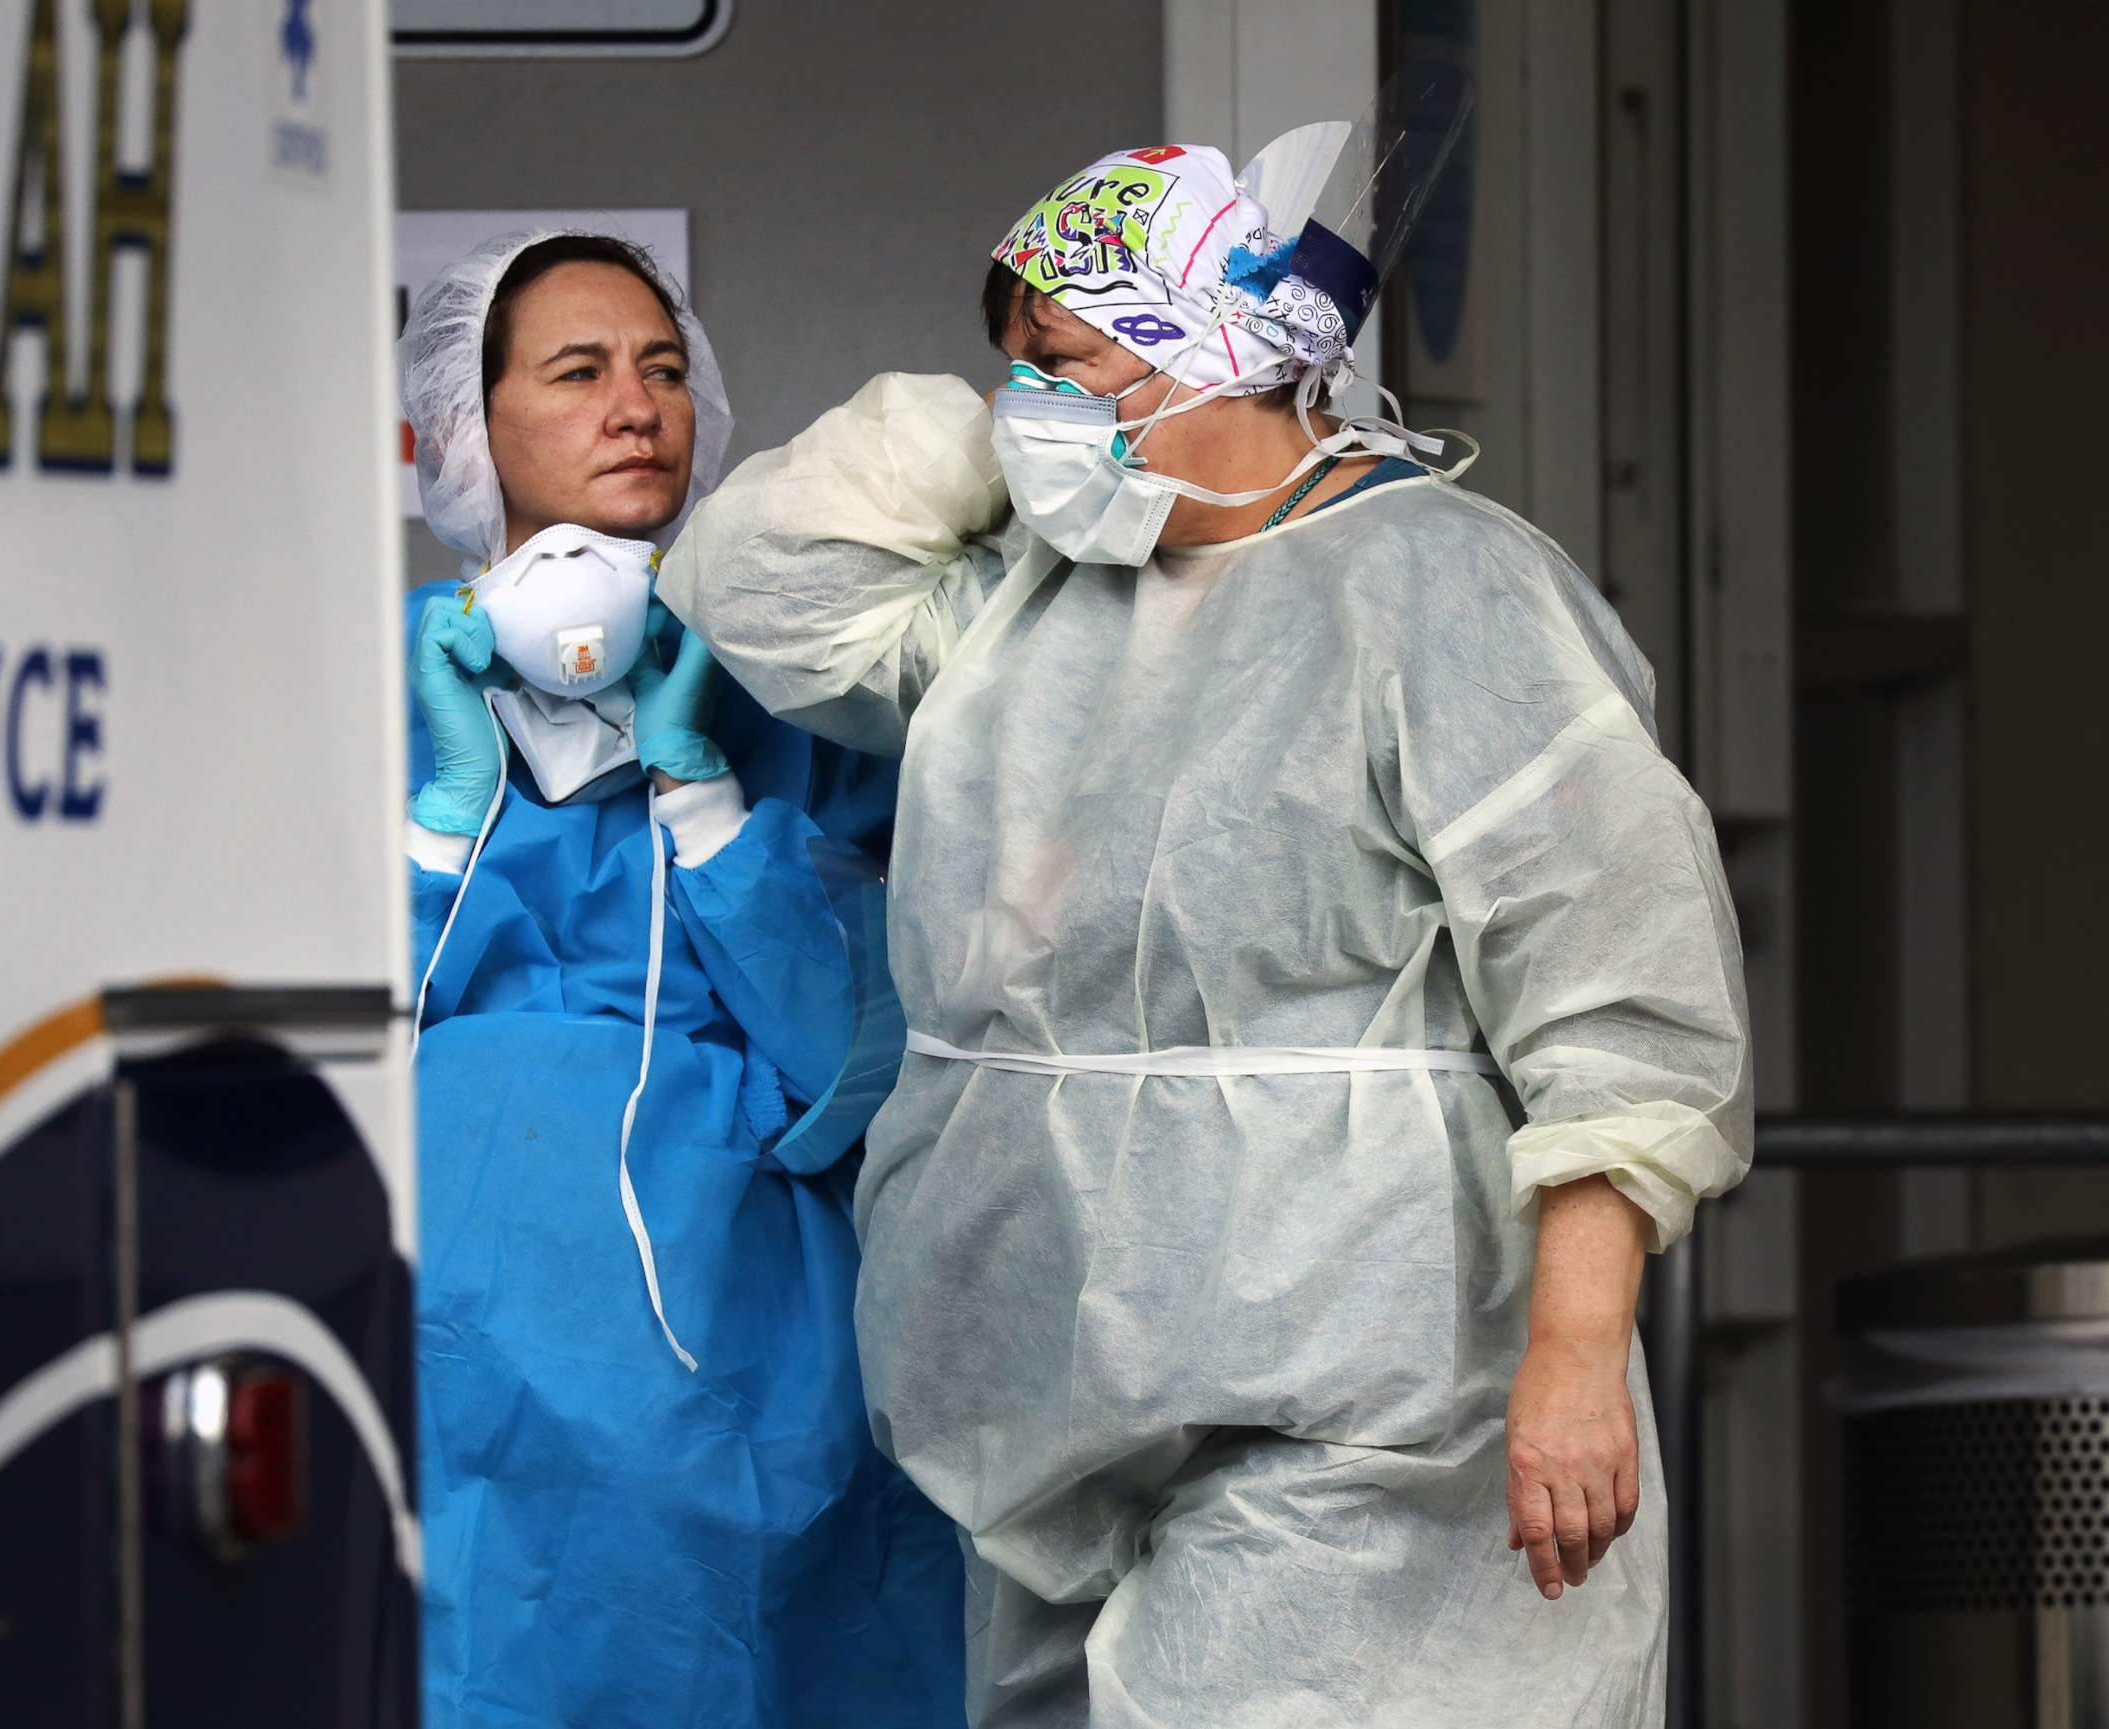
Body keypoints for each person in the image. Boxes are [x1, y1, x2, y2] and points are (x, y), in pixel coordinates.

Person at [659, 113, 1752, 1729]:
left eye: (1063, 355)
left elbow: (1622, 1008)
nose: (1026, 401)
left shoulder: (1446, 592)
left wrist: (1578, 1349)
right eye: (1011, 366)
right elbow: (756, 576)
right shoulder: (1025, 610)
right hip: (1044, 1429)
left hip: (1366, 1417)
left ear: (1203, 345)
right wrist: (998, 435)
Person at [397, 230, 965, 1728]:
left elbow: (853, 1060)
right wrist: (443, 817)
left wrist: (706, 791)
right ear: (466, 428)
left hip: (741, 1356)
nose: (634, 406)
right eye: (576, 372)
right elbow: (304, 1061)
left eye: (661, 368)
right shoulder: (377, 688)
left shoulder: (797, 687)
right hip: (458, 1351)